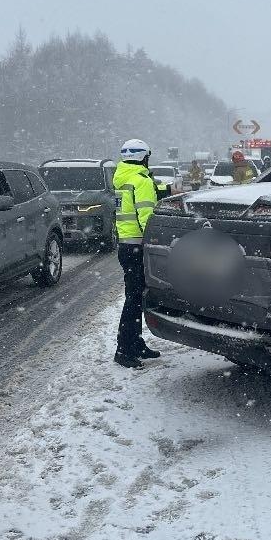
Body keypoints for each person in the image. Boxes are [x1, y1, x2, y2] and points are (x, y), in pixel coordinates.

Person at [113, 138, 162, 368]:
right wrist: (154, 244)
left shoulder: (123, 178)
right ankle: (124, 349)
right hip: (138, 246)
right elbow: (146, 216)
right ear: (144, 156)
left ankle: (135, 342)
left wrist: (163, 189)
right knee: (134, 299)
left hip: (126, 245)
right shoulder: (141, 180)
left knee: (135, 297)